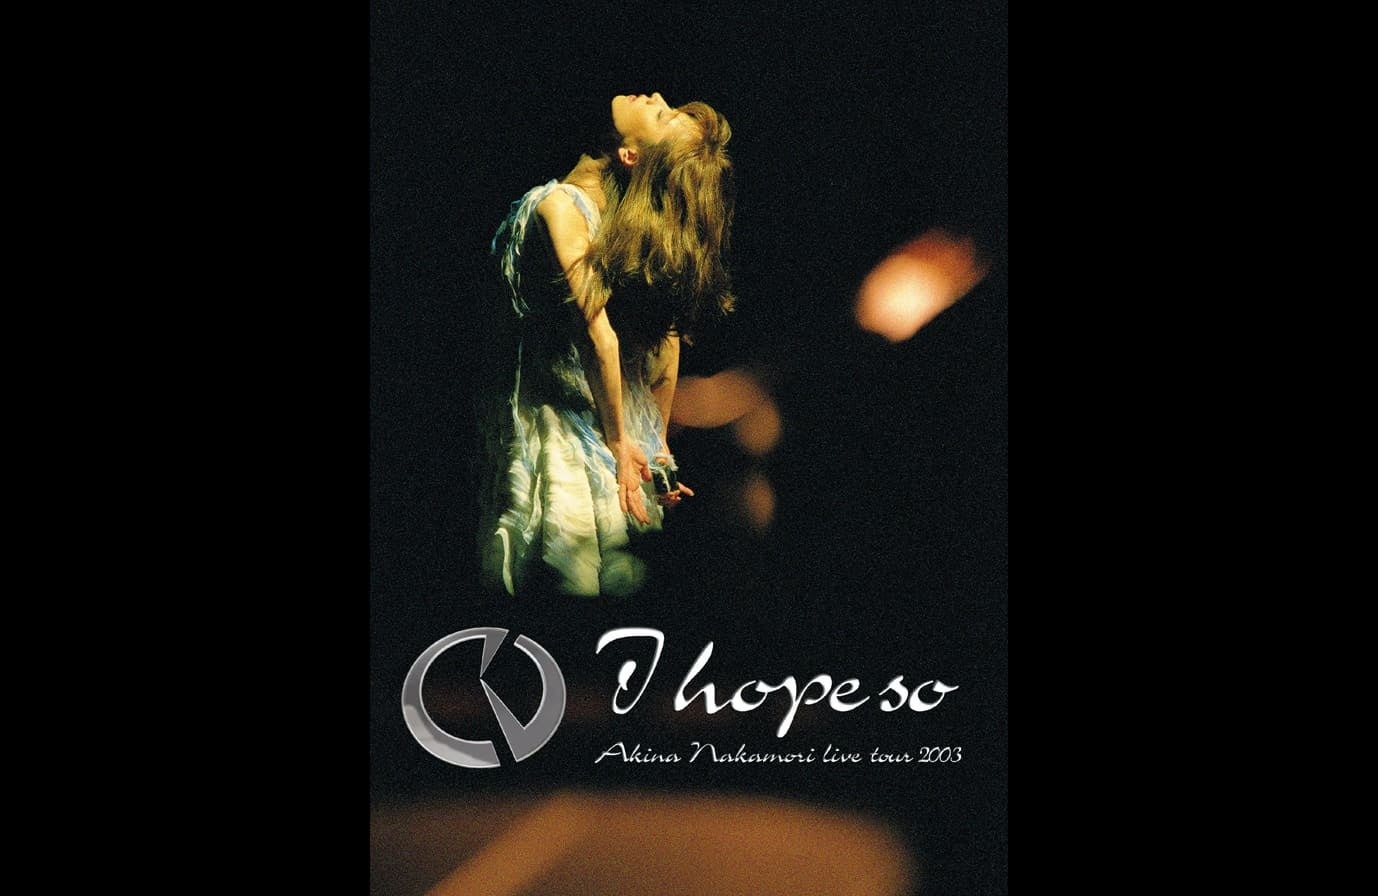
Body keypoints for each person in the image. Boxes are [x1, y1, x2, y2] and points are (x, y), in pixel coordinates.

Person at [478, 92, 735, 597]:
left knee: (566, 576)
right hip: (624, 427)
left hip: (567, 424)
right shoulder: (618, 225)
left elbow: (601, 337)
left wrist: (620, 443)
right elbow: (666, 345)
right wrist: (657, 446)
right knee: (612, 577)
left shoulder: (558, 206)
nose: (655, 96)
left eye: (660, 114)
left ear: (631, 154)